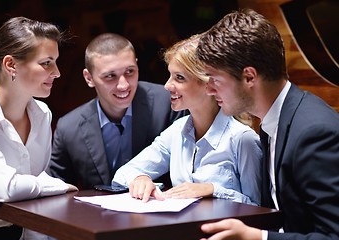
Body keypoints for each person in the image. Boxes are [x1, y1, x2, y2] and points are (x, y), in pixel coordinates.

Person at [196, 8, 339, 240]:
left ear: (250, 77)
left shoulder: (314, 133)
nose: (209, 89)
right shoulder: (271, 121)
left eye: (215, 79)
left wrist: (258, 238)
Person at [112, 33, 262, 205]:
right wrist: (140, 178)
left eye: (179, 78)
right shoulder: (176, 131)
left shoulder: (243, 139)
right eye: (170, 76)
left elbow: (260, 209)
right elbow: (122, 174)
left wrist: (214, 190)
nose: (167, 86)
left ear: (209, 83)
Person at [0, 17, 78, 240]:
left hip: (32, 232)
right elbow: (7, 189)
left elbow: (29, 189)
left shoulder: (43, 114)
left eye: (56, 62)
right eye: (46, 63)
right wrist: (56, 185)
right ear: (10, 65)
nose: (57, 72)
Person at [48, 33, 187, 190]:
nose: (123, 85)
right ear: (89, 78)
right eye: (110, 76)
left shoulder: (169, 103)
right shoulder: (68, 128)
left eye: (129, 72)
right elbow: (57, 190)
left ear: (137, 65)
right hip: (96, 213)